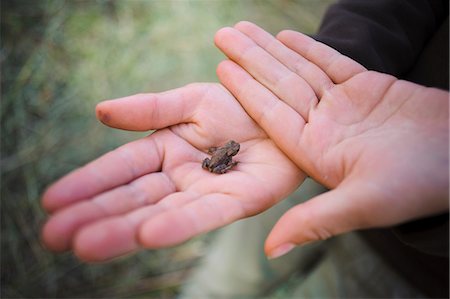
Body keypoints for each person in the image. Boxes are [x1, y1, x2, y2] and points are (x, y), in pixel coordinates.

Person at [41, 0, 448, 297]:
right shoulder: (235, 152)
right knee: (223, 280)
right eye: (230, 151)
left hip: (417, 270)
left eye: (229, 151)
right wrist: (339, 68)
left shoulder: (233, 155)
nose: (230, 151)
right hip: (302, 136)